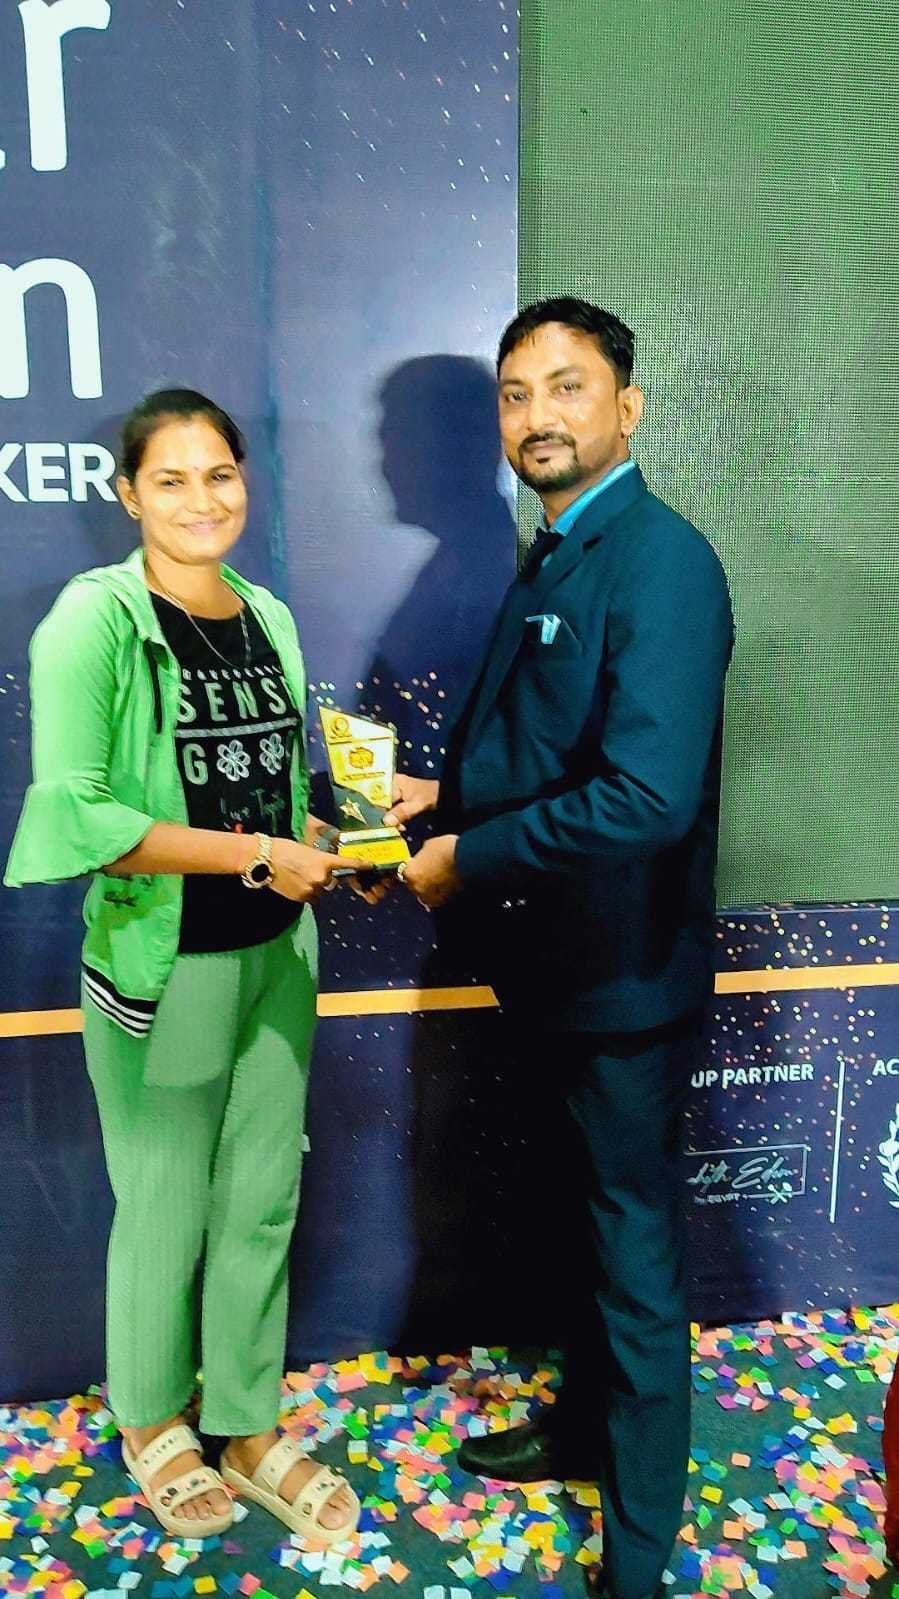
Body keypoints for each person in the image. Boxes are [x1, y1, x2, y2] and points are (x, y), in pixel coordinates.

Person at [387, 299, 735, 1599]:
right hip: (553, 975)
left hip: (620, 986)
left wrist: (465, 855)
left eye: (566, 386)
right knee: (585, 1236)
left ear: (625, 408)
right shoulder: (561, 548)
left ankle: (636, 1554)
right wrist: (445, 799)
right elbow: (549, 745)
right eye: (514, 393)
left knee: (632, 1261)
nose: (537, 415)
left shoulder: (660, 561)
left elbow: (643, 798)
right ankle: (581, 1430)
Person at [4, 390, 372, 1545]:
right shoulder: (92, 620)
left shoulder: (268, 615)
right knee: (162, 1206)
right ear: (127, 494)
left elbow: (275, 790)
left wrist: (339, 840)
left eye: (220, 474)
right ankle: (153, 1422)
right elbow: (83, 821)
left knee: (260, 1201)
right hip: (161, 968)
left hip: (276, 960)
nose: (200, 500)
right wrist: (258, 856)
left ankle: (248, 1426)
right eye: (170, 479)